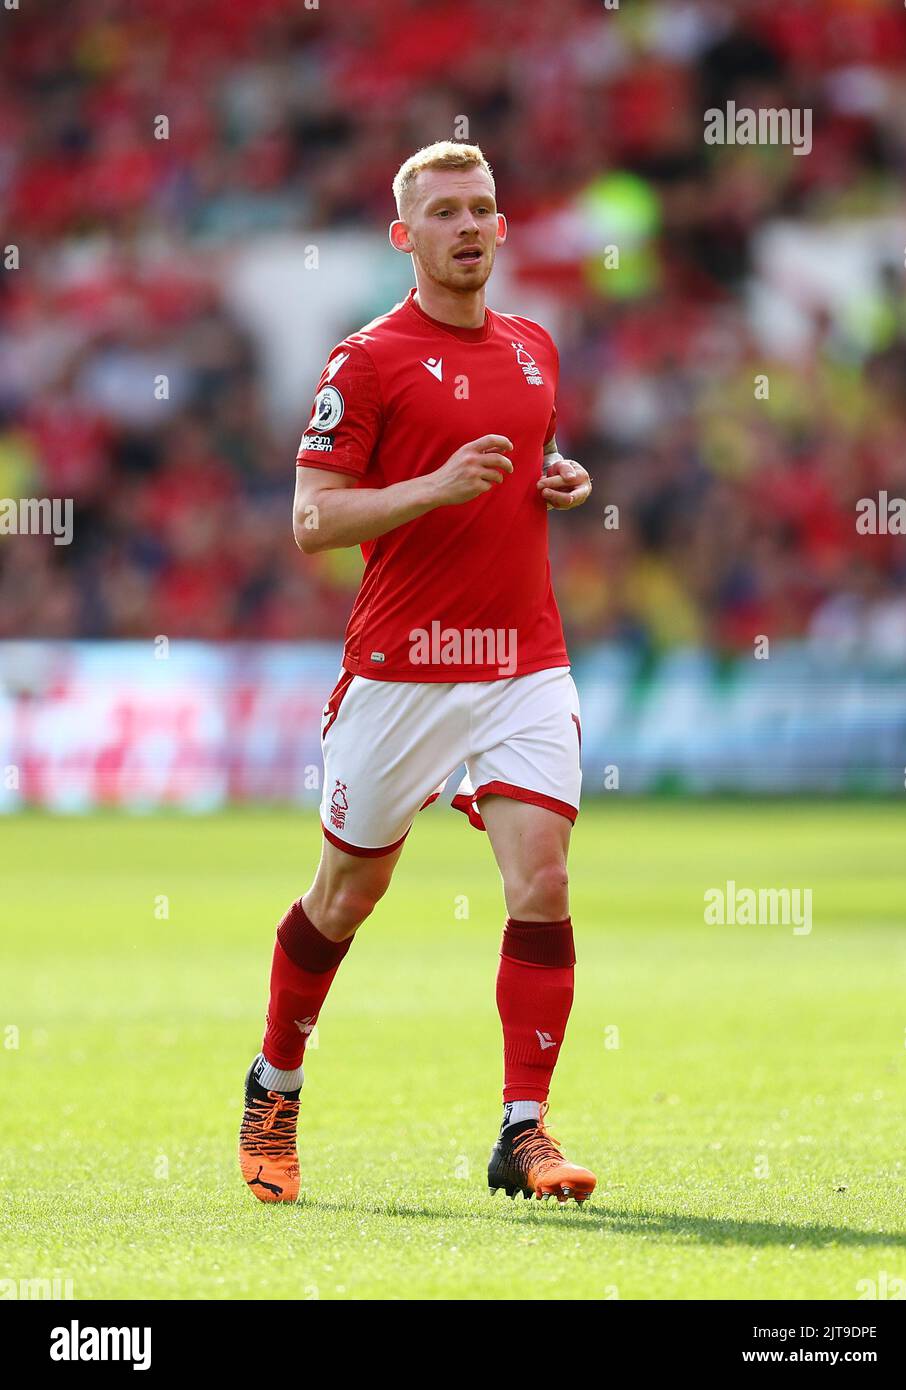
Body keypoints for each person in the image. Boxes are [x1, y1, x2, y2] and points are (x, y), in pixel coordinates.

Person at [239, 141, 595, 1205]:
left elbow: (516, 470)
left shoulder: (535, 346)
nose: (470, 225)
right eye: (444, 211)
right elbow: (312, 518)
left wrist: (554, 480)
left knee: (543, 880)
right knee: (348, 894)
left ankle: (523, 1128)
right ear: (406, 236)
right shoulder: (367, 360)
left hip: (522, 660)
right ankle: (277, 1079)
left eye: (482, 207)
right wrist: (430, 487)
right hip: (400, 670)